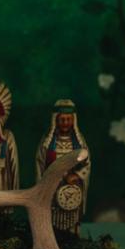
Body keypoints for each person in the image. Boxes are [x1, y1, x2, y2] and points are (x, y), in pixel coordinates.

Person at [35, 99, 90, 233]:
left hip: (72, 187)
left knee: (72, 220)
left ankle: (72, 238)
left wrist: (76, 175)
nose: (65, 123)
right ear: (56, 121)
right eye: (62, 120)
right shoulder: (47, 143)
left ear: (73, 121)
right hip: (52, 189)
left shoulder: (79, 142)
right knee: (52, 220)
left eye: (68, 119)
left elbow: (87, 163)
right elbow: (40, 164)